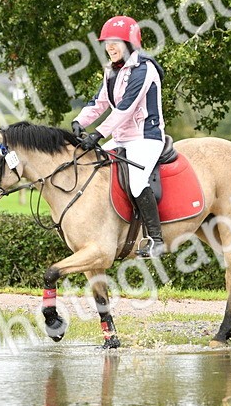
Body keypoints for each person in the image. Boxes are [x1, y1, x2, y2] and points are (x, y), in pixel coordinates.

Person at [71, 15, 166, 257]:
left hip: (145, 138)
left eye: (115, 42)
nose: (109, 47)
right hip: (122, 138)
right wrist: (79, 121)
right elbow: (99, 102)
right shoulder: (111, 71)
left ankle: (156, 240)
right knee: (91, 166)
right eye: (107, 42)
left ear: (130, 43)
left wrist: (98, 134)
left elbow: (126, 108)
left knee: (137, 182)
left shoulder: (144, 69)